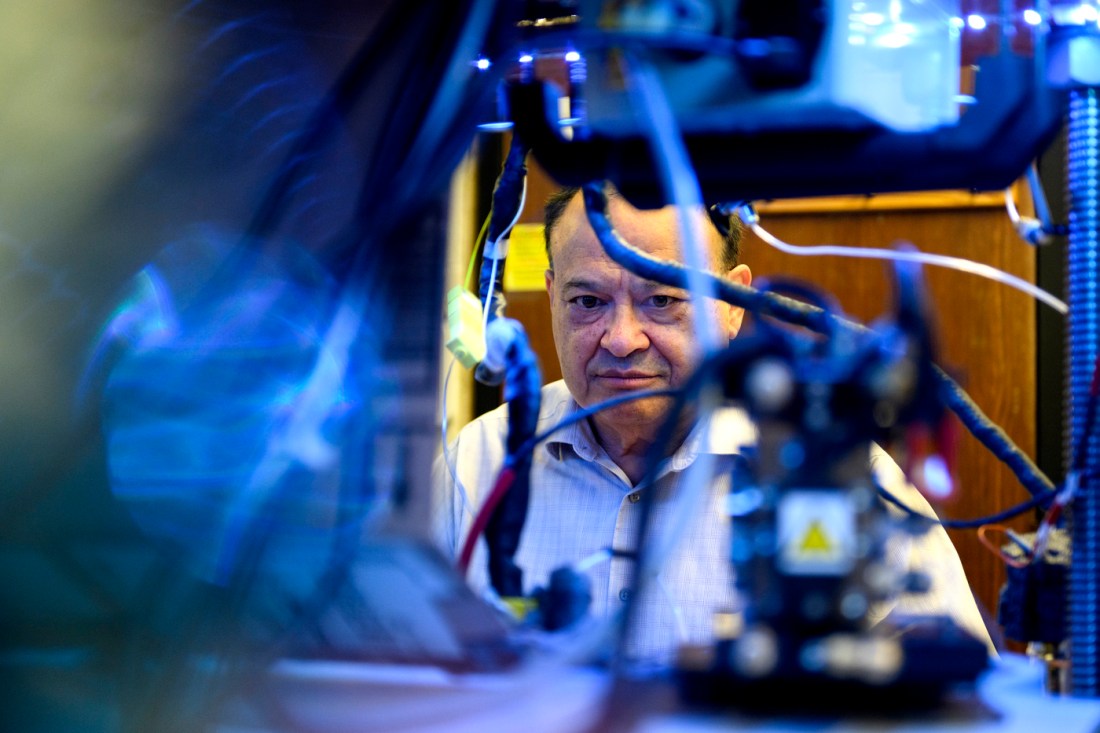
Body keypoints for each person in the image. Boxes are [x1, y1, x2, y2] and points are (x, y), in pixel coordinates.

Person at [433, 184, 993, 663]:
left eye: (661, 299)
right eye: (587, 301)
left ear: (733, 302)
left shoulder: (835, 471)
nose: (621, 340)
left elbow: (963, 711)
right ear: (552, 296)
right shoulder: (479, 463)